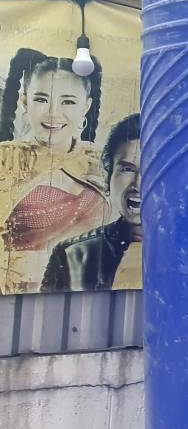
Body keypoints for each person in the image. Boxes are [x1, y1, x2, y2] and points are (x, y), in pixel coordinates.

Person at [0, 50, 106, 293]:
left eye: (67, 101)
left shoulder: (101, 162)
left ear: (86, 106)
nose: (53, 113)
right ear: (25, 101)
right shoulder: (7, 159)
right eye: (41, 99)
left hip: (83, 292)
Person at [42, 114, 140, 292]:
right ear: (108, 177)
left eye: (151, 170)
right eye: (127, 169)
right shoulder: (72, 256)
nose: (138, 183)